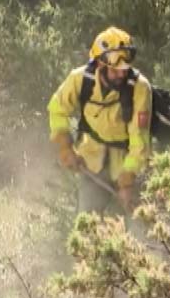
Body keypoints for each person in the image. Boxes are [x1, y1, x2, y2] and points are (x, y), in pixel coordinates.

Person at [48, 26, 153, 216]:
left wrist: (128, 179)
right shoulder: (79, 79)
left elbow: (140, 139)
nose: (122, 75)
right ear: (99, 64)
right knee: (87, 227)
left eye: (124, 70)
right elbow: (57, 109)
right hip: (92, 164)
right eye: (116, 70)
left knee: (140, 228)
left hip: (129, 164)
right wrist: (65, 146)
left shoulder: (140, 88)